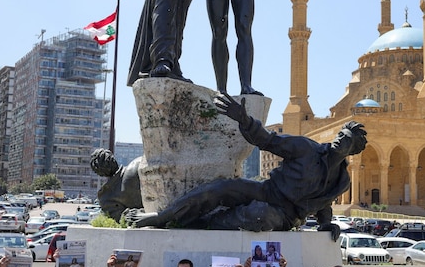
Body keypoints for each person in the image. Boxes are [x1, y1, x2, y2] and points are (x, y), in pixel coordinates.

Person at [131, 93, 367, 232]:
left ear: (352, 151)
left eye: (346, 141)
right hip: (266, 190)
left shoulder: (342, 181)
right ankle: (164, 217)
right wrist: (243, 119)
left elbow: (322, 203)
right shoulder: (306, 148)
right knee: (222, 187)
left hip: (285, 215)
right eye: (340, 135)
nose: (339, 141)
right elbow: (267, 140)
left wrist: (326, 223)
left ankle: (202, 224)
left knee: (259, 215)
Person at [90, 149, 144, 222]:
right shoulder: (138, 163)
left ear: (98, 172)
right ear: (113, 159)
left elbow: (126, 220)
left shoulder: (106, 197)